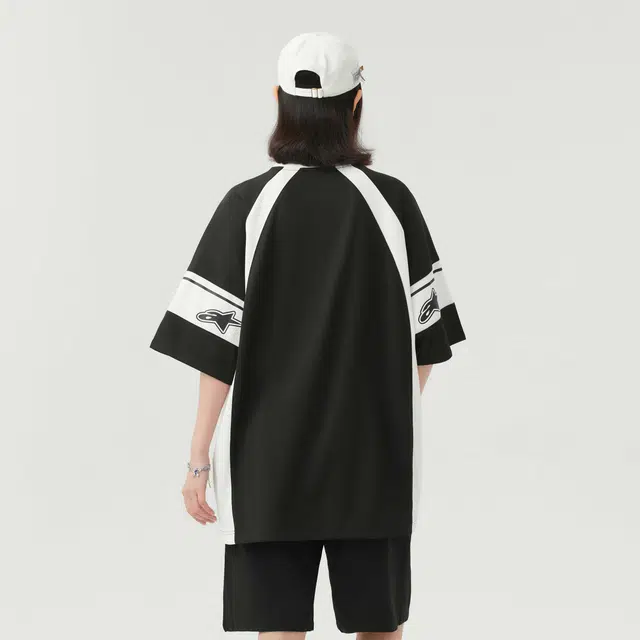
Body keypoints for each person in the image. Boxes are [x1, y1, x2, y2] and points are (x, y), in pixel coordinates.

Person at [150, 32, 466, 639]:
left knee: (278, 631)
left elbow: (214, 348)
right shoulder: (393, 205)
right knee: (379, 628)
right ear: (356, 103)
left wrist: (198, 460)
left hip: (267, 462)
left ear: (279, 100)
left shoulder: (247, 205)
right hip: (373, 461)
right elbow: (426, 341)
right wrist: (382, 414)